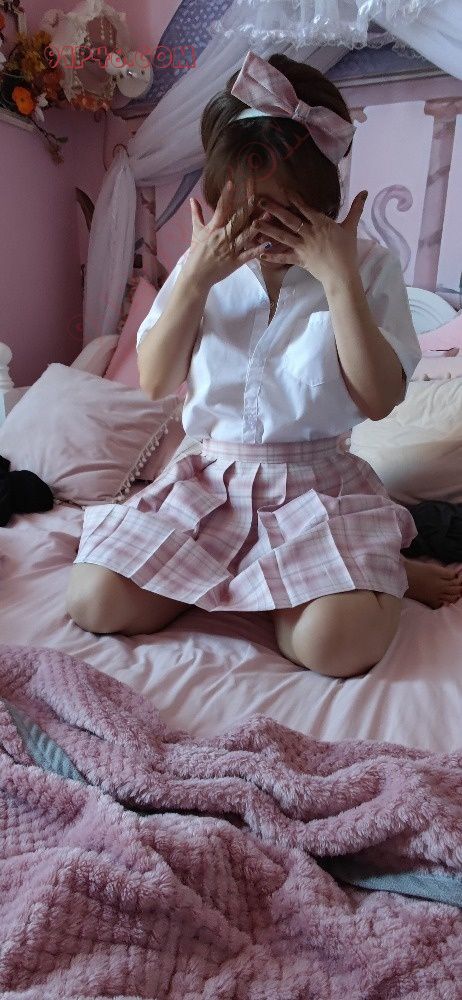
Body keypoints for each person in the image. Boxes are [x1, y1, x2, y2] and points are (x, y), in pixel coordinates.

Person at [66, 50, 462, 677]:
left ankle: (377, 566)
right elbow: (155, 382)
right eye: (242, 207)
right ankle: (265, 576)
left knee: (336, 647)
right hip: (208, 485)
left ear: (319, 197)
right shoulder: (203, 266)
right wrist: (195, 278)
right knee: (95, 601)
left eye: (282, 207)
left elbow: (380, 398)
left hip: (317, 491)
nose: (260, 227)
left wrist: (338, 279)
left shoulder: (366, 266)